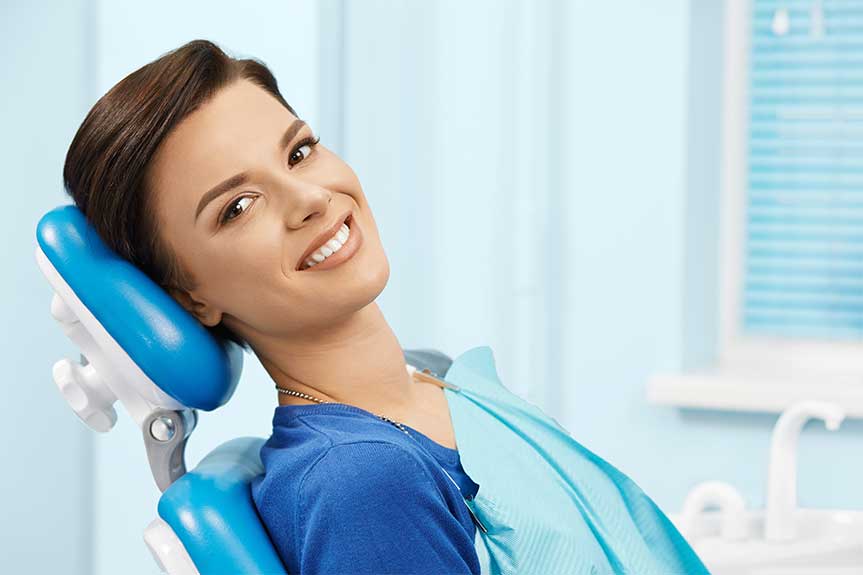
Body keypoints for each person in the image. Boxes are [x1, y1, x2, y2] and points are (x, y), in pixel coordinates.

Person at [63, 39, 710, 575]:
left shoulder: (435, 378)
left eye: (299, 150)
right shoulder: (362, 484)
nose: (310, 198)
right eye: (238, 207)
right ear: (189, 296)